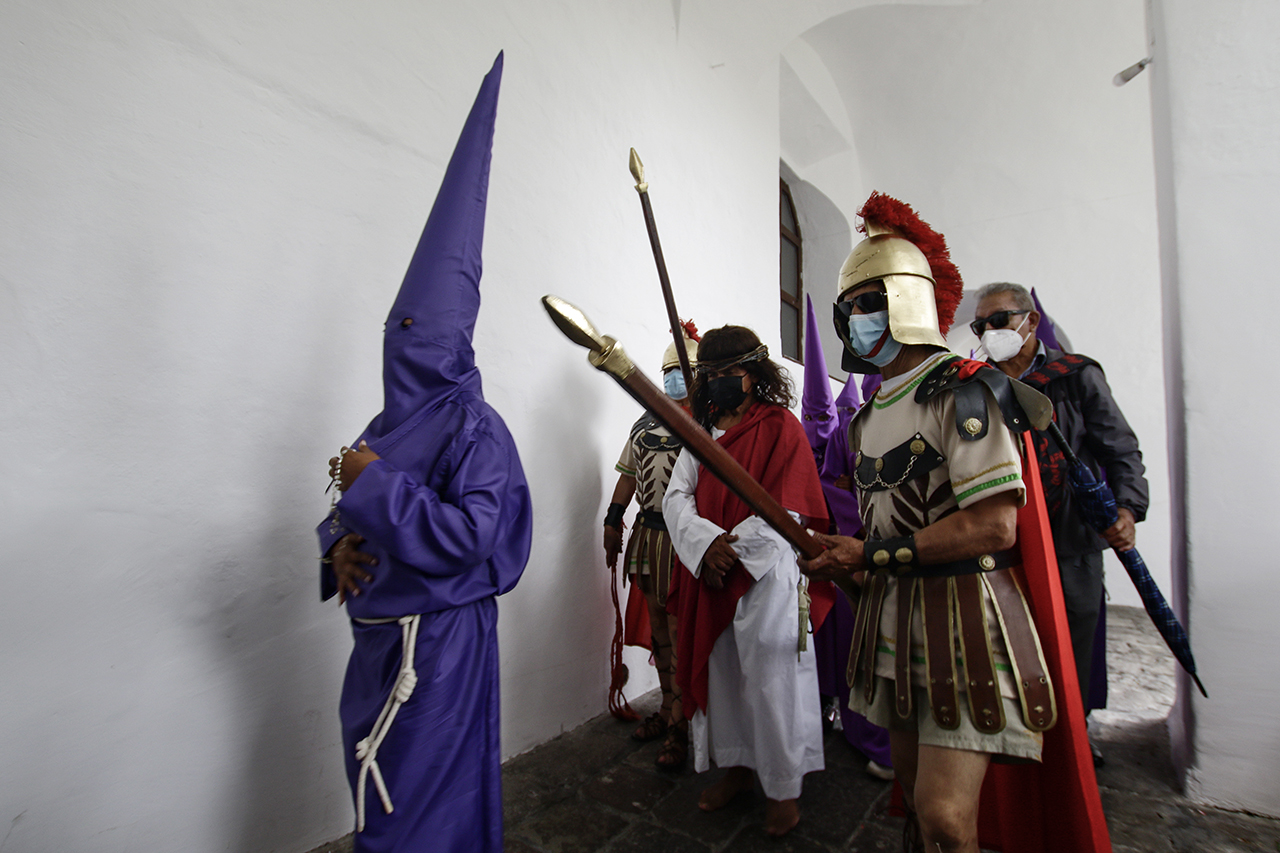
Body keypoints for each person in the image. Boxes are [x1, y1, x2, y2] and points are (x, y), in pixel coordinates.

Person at [802, 192, 1108, 853]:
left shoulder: (963, 389)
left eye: (869, 301)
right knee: (914, 795)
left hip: (965, 618)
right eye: (850, 306)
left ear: (908, 299)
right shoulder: (868, 416)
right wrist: (840, 551)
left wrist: (868, 555)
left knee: (945, 814)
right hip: (893, 616)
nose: (855, 318)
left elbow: (994, 527)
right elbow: (876, 523)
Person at [316, 54, 533, 853]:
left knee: (421, 801)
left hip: (437, 643)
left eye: (421, 333)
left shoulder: (478, 428)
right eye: (397, 330)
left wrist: (369, 490)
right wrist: (334, 546)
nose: (404, 345)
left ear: (453, 342)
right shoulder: (383, 422)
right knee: (375, 784)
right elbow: (349, 509)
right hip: (377, 638)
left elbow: (471, 536)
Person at [662, 325, 829, 837]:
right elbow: (676, 496)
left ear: (753, 375)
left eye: (728, 373)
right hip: (709, 574)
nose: (719, 383)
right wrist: (704, 544)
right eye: (709, 375)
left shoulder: (781, 427)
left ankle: (783, 789)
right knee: (724, 675)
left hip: (768, 578)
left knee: (772, 681)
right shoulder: (699, 429)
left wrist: (731, 554)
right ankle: (736, 768)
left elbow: (788, 506)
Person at [972, 281, 1148, 760]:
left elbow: (1121, 449)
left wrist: (1128, 508)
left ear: (1029, 321)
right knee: (1008, 636)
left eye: (999, 320)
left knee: (1074, 633)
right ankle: (1015, 729)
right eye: (980, 324)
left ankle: (1073, 731)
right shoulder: (977, 384)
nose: (989, 331)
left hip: (1071, 532)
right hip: (1006, 532)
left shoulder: (1076, 376)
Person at [799, 294, 894, 782]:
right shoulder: (844, 434)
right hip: (841, 559)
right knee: (836, 643)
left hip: (890, 559)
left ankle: (876, 736)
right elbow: (832, 486)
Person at [602, 324, 699, 769]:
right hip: (647, 535)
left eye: (681, 370)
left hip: (685, 540)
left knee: (681, 634)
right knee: (660, 630)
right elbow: (627, 474)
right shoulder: (643, 421)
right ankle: (666, 711)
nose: (673, 377)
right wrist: (612, 516)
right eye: (668, 370)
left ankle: (683, 724)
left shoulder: (705, 422)